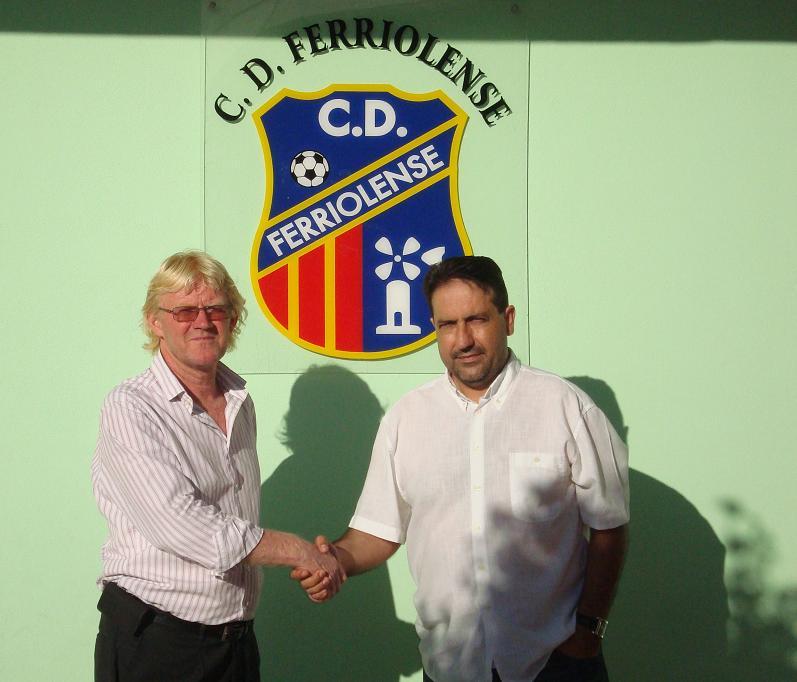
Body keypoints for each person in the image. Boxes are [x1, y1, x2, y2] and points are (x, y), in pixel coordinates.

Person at [293, 255, 629, 682]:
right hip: (451, 665)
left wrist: (589, 629)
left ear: (508, 319)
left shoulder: (566, 407)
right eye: (448, 325)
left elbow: (609, 526)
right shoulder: (406, 419)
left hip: (555, 663)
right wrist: (335, 560)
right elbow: (378, 530)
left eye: (476, 320)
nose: (463, 339)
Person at [92, 250, 344, 682]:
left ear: (233, 318)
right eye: (184, 311)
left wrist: (318, 564)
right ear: (155, 322)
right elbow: (180, 524)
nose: (203, 322)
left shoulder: (239, 403)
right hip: (157, 644)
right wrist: (298, 551)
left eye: (216, 309)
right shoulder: (131, 407)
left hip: (236, 642)